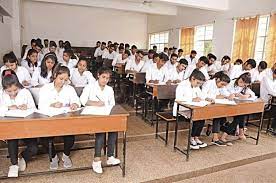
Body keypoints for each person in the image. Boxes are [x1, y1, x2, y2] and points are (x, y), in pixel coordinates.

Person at [38, 66, 80, 170]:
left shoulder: (69, 89)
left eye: (65, 80)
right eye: (61, 79)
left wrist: (75, 104)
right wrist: (52, 104)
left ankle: (66, 156)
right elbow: (40, 106)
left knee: (70, 137)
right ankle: (53, 157)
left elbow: (77, 101)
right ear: (55, 76)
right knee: (45, 138)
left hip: (65, 118)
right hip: (49, 119)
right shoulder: (45, 88)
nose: (63, 82)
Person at [80, 67, 119, 174]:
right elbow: (82, 100)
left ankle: (110, 156)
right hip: (93, 115)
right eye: (103, 77)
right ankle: (96, 160)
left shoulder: (109, 89)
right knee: (101, 133)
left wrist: (106, 106)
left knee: (114, 129)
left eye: (107, 78)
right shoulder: (90, 87)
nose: (105, 80)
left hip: (105, 114)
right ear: (98, 75)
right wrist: (95, 103)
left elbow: (112, 104)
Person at [1, 70, 38, 177]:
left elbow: (34, 110)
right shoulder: (1, 94)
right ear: (4, 89)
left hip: (26, 126)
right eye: (9, 91)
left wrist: (27, 107)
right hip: (10, 126)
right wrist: (7, 107)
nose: (13, 93)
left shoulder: (25, 92)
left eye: (15, 90)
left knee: (34, 149)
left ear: (18, 86)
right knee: (12, 139)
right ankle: (13, 165)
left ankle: (22, 157)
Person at [173, 69, 210, 149]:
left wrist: (207, 98)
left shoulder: (195, 85)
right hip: (182, 108)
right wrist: (192, 99)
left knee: (202, 116)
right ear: (192, 78)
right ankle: (192, 138)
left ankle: (196, 137)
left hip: (192, 107)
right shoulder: (182, 85)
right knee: (197, 117)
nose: (198, 85)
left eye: (200, 84)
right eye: (198, 83)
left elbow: (200, 95)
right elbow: (178, 98)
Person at [202, 72, 231, 146]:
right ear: (217, 79)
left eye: (224, 85)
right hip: (205, 105)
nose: (222, 86)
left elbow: (225, 93)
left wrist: (229, 96)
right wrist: (215, 97)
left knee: (222, 114)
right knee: (219, 115)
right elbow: (203, 94)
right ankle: (215, 138)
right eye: (222, 84)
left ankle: (215, 134)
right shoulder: (208, 83)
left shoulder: (221, 86)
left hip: (215, 105)